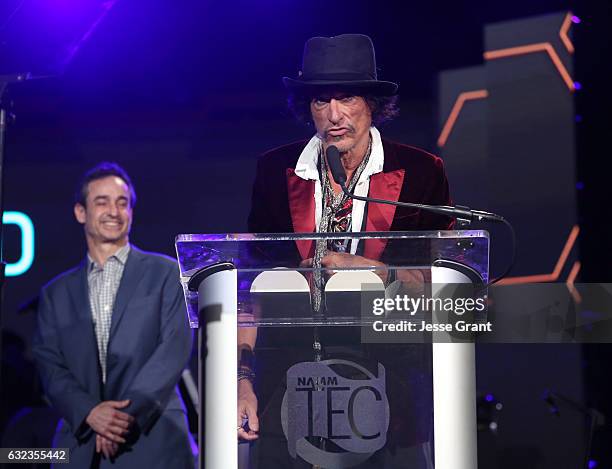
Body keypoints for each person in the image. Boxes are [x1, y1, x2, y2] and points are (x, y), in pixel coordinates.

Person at [238, 34, 454, 467]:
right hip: (292, 382)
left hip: (390, 387)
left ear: (372, 102)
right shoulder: (276, 171)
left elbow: (452, 288)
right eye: (321, 101)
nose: (334, 116)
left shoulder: (419, 173)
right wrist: (242, 379)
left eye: (347, 98)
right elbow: (250, 286)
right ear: (308, 108)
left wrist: (374, 271)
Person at [33, 162, 194, 468]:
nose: (114, 211)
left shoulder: (165, 273)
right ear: (81, 212)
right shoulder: (56, 293)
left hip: (153, 437)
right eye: (102, 202)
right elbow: (49, 365)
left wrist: (121, 416)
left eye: (122, 203)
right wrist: (90, 412)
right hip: (81, 443)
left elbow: (174, 348)